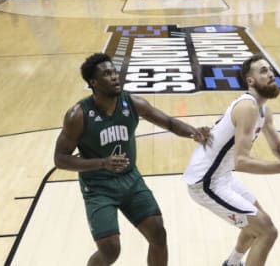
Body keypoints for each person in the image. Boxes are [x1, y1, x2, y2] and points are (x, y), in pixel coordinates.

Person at [54, 53, 212, 266]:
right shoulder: (78, 115)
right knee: (110, 251)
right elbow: (60, 159)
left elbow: (169, 122)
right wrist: (102, 163)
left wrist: (193, 132)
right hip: (98, 187)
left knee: (158, 234)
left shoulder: (133, 103)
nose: (114, 77)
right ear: (93, 82)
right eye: (107, 74)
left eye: (114, 72)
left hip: (131, 179)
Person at [183, 54, 280, 266]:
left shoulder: (263, 109)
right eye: (263, 71)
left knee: (257, 222)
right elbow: (242, 162)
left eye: (270, 69)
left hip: (221, 175)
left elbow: (278, 148)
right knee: (267, 231)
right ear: (250, 81)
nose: (271, 74)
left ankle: (232, 263)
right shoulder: (247, 107)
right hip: (204, 181)